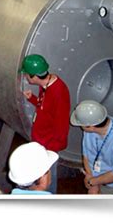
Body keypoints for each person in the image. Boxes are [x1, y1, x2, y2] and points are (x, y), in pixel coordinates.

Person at [20, 54, 70, 194]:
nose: (25, 77)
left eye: (26, 74)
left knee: (48, 180)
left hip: (49, 145)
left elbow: (61, 123)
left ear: (33, 76)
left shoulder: (58, 91)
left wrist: (51, 149)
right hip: (41, 141)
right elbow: (46, 108)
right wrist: (32, 99)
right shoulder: (46, 85)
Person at [70, 100, 113, 194]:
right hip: (98, 181)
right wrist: (91, 179)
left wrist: (92, 182)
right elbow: (87, 155)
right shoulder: (89, 131)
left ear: (90, 126)